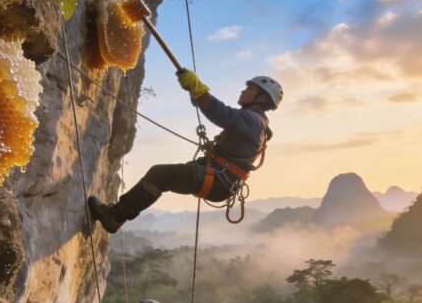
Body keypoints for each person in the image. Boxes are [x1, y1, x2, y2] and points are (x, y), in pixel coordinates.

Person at [88, 70, 283, 232]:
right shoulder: (258, 122)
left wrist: (199, 90)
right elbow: (223, 115)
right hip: (220, 180)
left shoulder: (253, 120)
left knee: (160, 174)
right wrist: (197, 95)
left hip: (217, 180)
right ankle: (117, 215)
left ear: (262, 97)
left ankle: (115, 216)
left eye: (250, 88)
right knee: (165, 175)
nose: (244, 90)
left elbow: (222, 114)